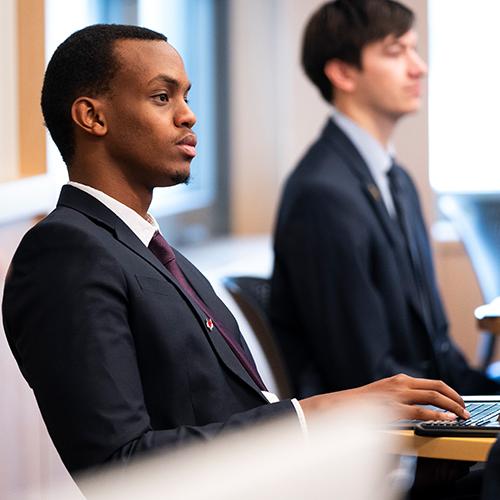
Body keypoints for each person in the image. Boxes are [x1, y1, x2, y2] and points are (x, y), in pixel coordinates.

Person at [2, 24, 468, 476]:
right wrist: (320, 413)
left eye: (186, 96)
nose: (188, 115)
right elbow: (117, 467)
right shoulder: (64, 252)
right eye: (162, 97)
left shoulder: (151, 250)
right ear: (93, 117)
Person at [270, 0, 499, 398]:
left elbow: (437, 346)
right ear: (343, 72)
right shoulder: (322, 194)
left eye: (414, 49)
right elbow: (362, 373)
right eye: (396, 52)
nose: (418, 67)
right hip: (382, 440)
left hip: (423, 408)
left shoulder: (398, 181)